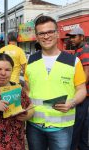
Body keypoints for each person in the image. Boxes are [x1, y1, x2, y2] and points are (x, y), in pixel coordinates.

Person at [24, 15, 87, 150]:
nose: (46, 36)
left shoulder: (73, 61)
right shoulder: (30, 61)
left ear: (57, 33)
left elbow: (82, 89)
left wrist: (72, 102)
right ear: (37, 36)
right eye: (41, 33)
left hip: (62, 127)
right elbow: (27, 90)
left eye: (50, 32)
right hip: (34, 125)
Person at [66, 27, 89, 150]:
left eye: (74, 37)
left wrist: (79, 92)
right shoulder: (79, 50)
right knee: (83, 127)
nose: (71, 39)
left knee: (76, 127)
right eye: (70, 37)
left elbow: (86, 73)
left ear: (82, 37)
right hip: (83, 96)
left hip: (82, 96)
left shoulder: (84, 50)